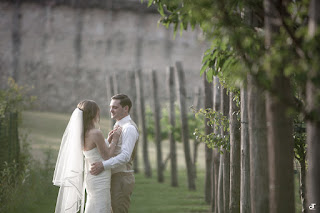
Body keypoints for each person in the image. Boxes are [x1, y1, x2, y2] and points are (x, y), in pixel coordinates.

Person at [53, 100, 121, 213]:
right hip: (100, 176)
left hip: (91, 176)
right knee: (101, 206)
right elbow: (107, 157)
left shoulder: (82, 134)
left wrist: (107, 141)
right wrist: (115, 140)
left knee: (93, 204)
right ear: (93, 114)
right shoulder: (96, 133)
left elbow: (95, 151)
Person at [90, 94, 139, 213]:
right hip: (113, 176)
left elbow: (125, 156)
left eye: (115, 107)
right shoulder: (118, 125)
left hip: (121, 177)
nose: (111, 110)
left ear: (126, 108)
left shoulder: (129, 128)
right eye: (110, 107)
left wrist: (103, 165)